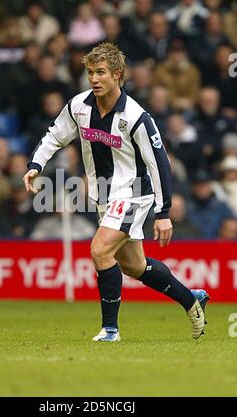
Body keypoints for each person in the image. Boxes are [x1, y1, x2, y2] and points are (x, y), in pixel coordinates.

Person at [23, 42, 209, 342]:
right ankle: (191, 299)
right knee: (134, 266)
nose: (94, 79)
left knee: (99, 250)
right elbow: (54, 136)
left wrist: (163, 213)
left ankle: (110, 330)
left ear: (117, 75)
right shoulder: (79, 107)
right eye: (90, 73)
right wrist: (36, 164)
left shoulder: (136, 117)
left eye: (101, 73)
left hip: (134, 193)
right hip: (104, 195)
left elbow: (159, 163)